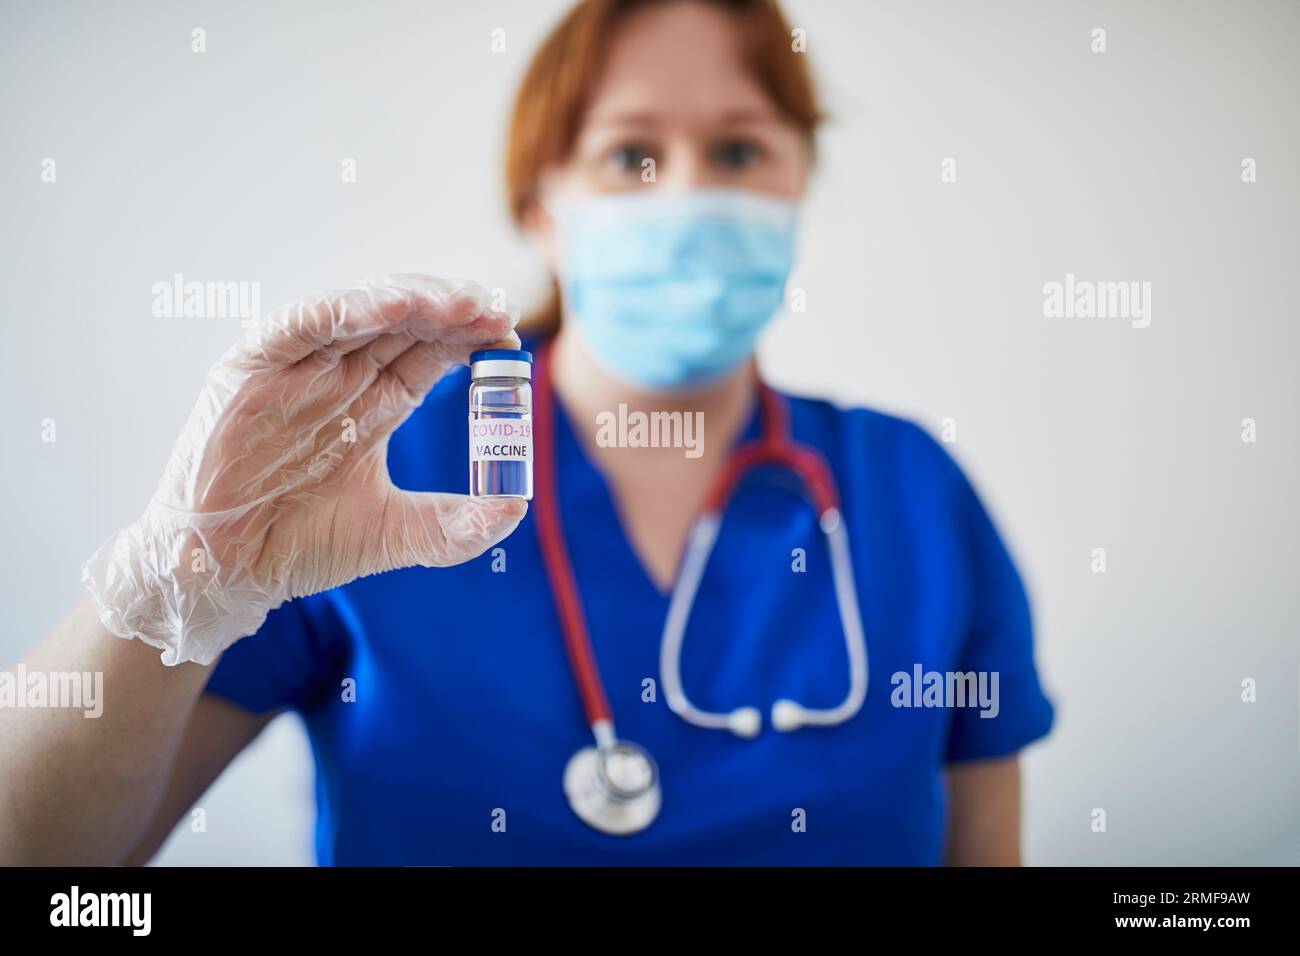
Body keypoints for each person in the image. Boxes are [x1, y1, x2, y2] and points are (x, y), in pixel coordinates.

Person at [0, 0, 1053, 866]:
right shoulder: (370, 466)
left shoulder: (915, 496)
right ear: (542, 205)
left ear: (797, 183)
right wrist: (179, 578)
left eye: (739, 147)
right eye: (630, 154)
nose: (686, 191)